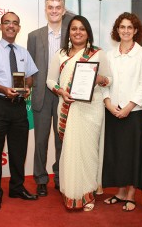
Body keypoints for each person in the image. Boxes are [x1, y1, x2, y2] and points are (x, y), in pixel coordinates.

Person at [46, 15, 112, 211]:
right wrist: (61, 91)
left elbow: (109, 80)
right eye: (74, 29)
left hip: (92, 109)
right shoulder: (60, 54)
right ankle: (72, 192)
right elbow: (50, 80)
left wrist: (99, 78)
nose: (77, 32)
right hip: (68, 106)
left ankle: (88, 194)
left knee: (89, 152)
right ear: (69, 32)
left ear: (88, 32)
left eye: (82, 29)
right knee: (70, 151)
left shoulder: (98, 54)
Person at [0, 11, 39, 211]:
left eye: (15, 23)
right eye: (7, 23)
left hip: (19, 107)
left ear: (19, 28)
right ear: (1, 26)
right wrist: (3, 89)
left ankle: (17, 188)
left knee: (18, 151)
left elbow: (30, 77)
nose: (11, 26)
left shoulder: (23, 52)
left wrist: (27, 86)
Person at [102, 12, 142, 212]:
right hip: (113, 110)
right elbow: (103, 81)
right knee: (117, 153)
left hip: (136, 112)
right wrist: (108, 103)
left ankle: (131, 194)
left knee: (133, 153)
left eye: (130, 27)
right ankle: (120, 192)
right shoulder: (108, 54)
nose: (126, 30)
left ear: (136, 31)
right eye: (122, 27)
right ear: (117, 30)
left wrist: (129, 107)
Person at [27, 0, 74, 196]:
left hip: (64, 95)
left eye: (58, 7)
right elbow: (30, 68)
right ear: (45, 9)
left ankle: (60, 176)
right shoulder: (34, 36)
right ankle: (40, 178)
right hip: (41, 95)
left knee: (62, 139)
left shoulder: (72, 33)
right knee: (40, 140)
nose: (54, 11)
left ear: (63, 10)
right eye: (50, 7)